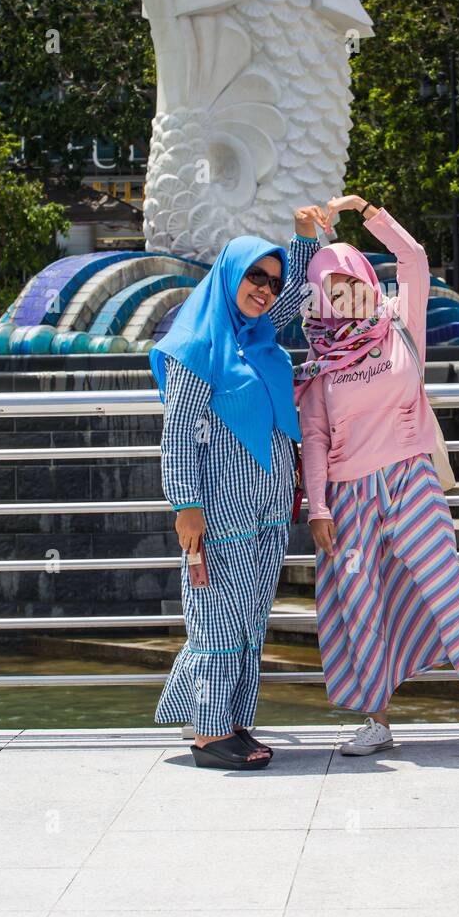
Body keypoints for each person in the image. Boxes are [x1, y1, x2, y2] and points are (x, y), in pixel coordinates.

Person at [295, 192, 459, 759]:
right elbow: (315, 439)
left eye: (349, 279)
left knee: (447, 590)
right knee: (361, 601)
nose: (341, 293)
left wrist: (367, 212)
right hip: (347, 496)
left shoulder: (399, 326)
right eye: (328, 284)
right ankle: (376, 718)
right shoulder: (317, 361)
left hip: (411, 481)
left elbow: (415, 260)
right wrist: (318, 508)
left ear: (363, 280)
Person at [150, 204, 329, 770]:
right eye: (255, 276)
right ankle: (208, 734)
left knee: (249, 617)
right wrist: (185, 507)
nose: (265, 290)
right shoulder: (197, 346)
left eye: (271, 281)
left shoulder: (256, 336)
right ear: (230, 275)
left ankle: (230, 721)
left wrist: (303, 239)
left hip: (268, 508)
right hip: (219, 511)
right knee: (217, 617)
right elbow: (178, 436)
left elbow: (298, 296)